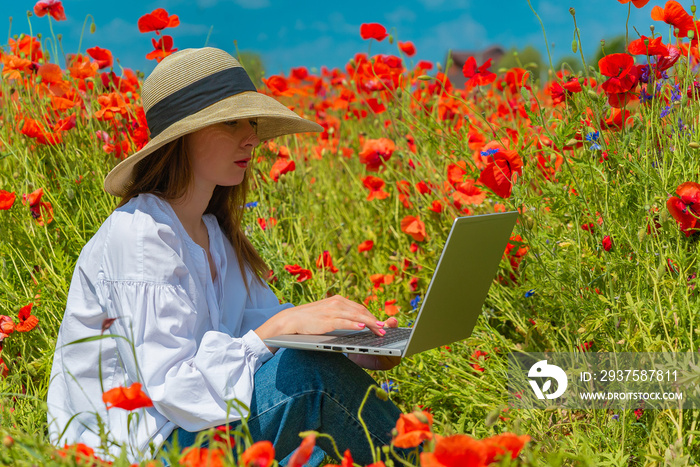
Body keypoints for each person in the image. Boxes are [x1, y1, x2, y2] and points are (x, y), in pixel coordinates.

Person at [46, 47, 408, 466]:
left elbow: (265, 334)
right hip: (138, 450)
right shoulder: (140, 236)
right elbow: (174, 391)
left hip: (191, 431)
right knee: (309, 383)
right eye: (232, 121)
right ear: (183, 136)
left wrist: (349, 346)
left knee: (308, 412)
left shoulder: (213, 233)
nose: (251, 136)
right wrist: (283, 325)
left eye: (251, 122)